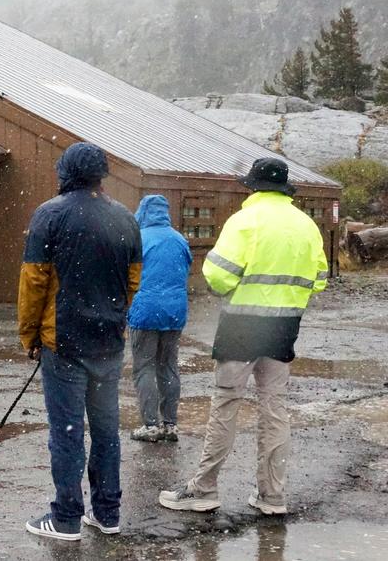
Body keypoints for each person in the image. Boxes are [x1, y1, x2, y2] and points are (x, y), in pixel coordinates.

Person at [159, 158, 328, 517]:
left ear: (252, 187)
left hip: (241, 327)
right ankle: (272, 496)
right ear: (285, 189)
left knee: (226, 404)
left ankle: (204, 489)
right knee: (274, 410)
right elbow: (320, 278)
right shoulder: (306, 226)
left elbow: (218, 276)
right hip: (284, 328)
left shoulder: (244, 221)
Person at [18, 142, 142, 541]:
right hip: (108, 342)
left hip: (65, 343)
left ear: (65, 172)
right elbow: (134, 280)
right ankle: (107, 513)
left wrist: (30, 335)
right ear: (101, 174)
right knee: (106, 431)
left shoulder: (49, 214)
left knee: (68, 432)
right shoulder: (125, 218)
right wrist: (113, 316)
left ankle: (67, 518)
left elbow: (33, 282)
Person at [127, 195, 193, 443]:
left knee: (144, 367)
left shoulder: (138, 239)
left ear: (143, 211)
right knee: (168, 365)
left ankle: (150, 425)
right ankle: (170, 424)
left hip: (145, 310)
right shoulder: (179, 239)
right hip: (175, 311)